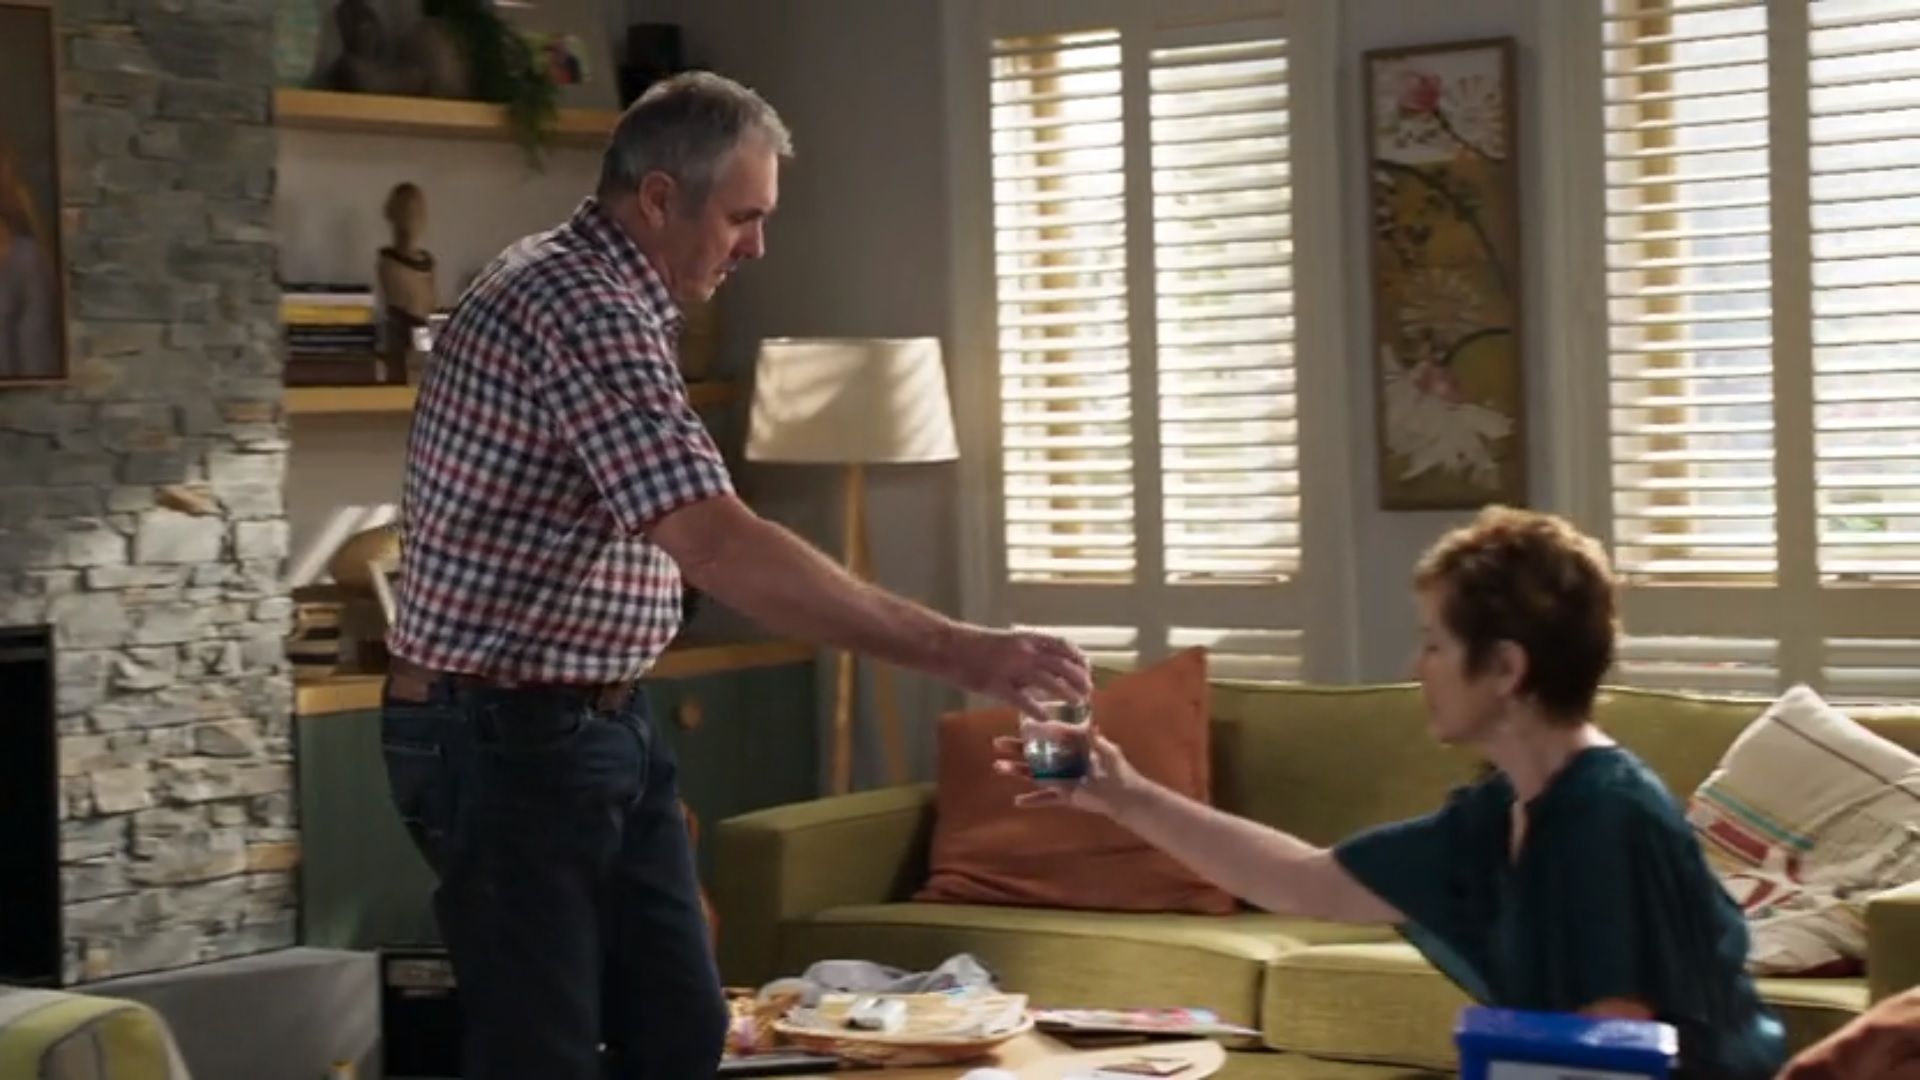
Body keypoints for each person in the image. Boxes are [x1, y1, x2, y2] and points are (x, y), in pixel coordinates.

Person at [382, 71, 1091, 1080]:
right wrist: (963, 652)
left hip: (596, 719)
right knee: (542, 1051)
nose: (757, 246)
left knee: (680, 1027)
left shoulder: (597, 290)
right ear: (659, 197)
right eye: (742, 216)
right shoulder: (580, 308)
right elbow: (715, 543)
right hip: (504, 733)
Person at [997, 507, 1787, 1079]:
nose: (1417, 668)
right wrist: (1126, 794)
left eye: (1435, 643)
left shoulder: (1606, 814)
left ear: (1506, 668)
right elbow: (1306, 880)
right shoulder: (1499, 811)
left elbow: (1614, 1040)